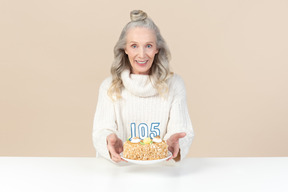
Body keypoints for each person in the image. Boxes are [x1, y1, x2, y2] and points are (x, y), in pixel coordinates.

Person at [92, 10, 194, 163]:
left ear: (157, 49)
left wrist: (175, 143)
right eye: (134, 46)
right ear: (125, 49)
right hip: (120, 174)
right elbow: (102, 130)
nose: (141, 54)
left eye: (148, 46)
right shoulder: (109, 86)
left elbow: (181, 130)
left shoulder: (174, 85)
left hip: (162, 174)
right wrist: (108, 140)